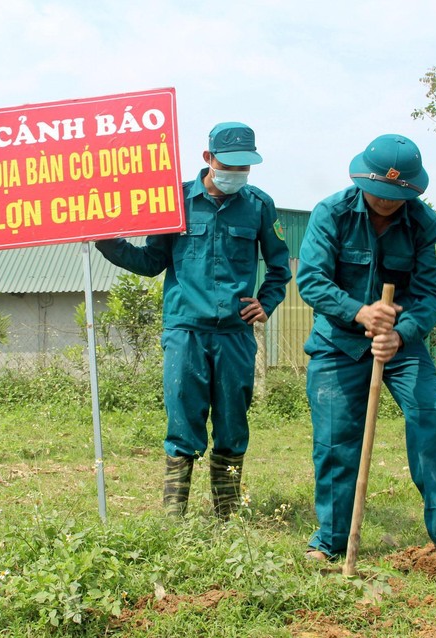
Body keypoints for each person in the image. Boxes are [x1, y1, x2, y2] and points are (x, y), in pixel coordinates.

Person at [296, 133, 436, 576]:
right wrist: (360, 312)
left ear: (412, 190)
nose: (385, 201)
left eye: (397, 195)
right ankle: (331, 541)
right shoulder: (331, 214)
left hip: (401, 345)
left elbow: (432, 293)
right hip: (339, 343)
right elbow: (312, 281)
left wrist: (400, 333)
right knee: (336, 439)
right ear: (363, 179)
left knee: (429, 418)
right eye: (379, 191)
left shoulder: (424, 224)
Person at [96, 122, 291, 518]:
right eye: (228, 164)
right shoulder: (176, 200)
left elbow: (279, 265)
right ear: (207, 158)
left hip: (235, 335)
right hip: (185, 330)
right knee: (183, 419)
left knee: (233, 422)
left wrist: (266, 302)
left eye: (244, 167)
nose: (236, 174)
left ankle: (227, 515)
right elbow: (152, 261)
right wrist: (106, 241)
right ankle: (174, 518)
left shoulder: (259, 205)